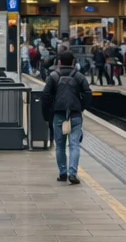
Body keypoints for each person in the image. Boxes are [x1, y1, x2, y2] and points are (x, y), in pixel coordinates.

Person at [40, 49, 93, 185]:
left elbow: (45, 96)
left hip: (58, 114)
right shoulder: (79, 76)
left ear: (59, 62)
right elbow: (88, 92)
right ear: (73, 62)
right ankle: (73, 173)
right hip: (75, 114)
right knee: (74, 145)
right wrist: (81, 107)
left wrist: (47, 114)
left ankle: (63, 173)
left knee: (60, 146)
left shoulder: (53, 76)